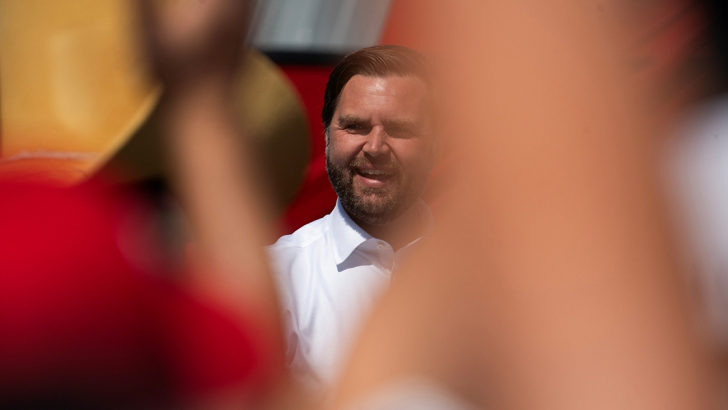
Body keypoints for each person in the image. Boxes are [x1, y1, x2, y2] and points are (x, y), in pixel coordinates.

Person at [268, 45, 438, 391]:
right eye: (356, 126)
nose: (375, 147)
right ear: (327, 135)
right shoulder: (276, 280)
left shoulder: (498, 282)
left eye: (400, 128)